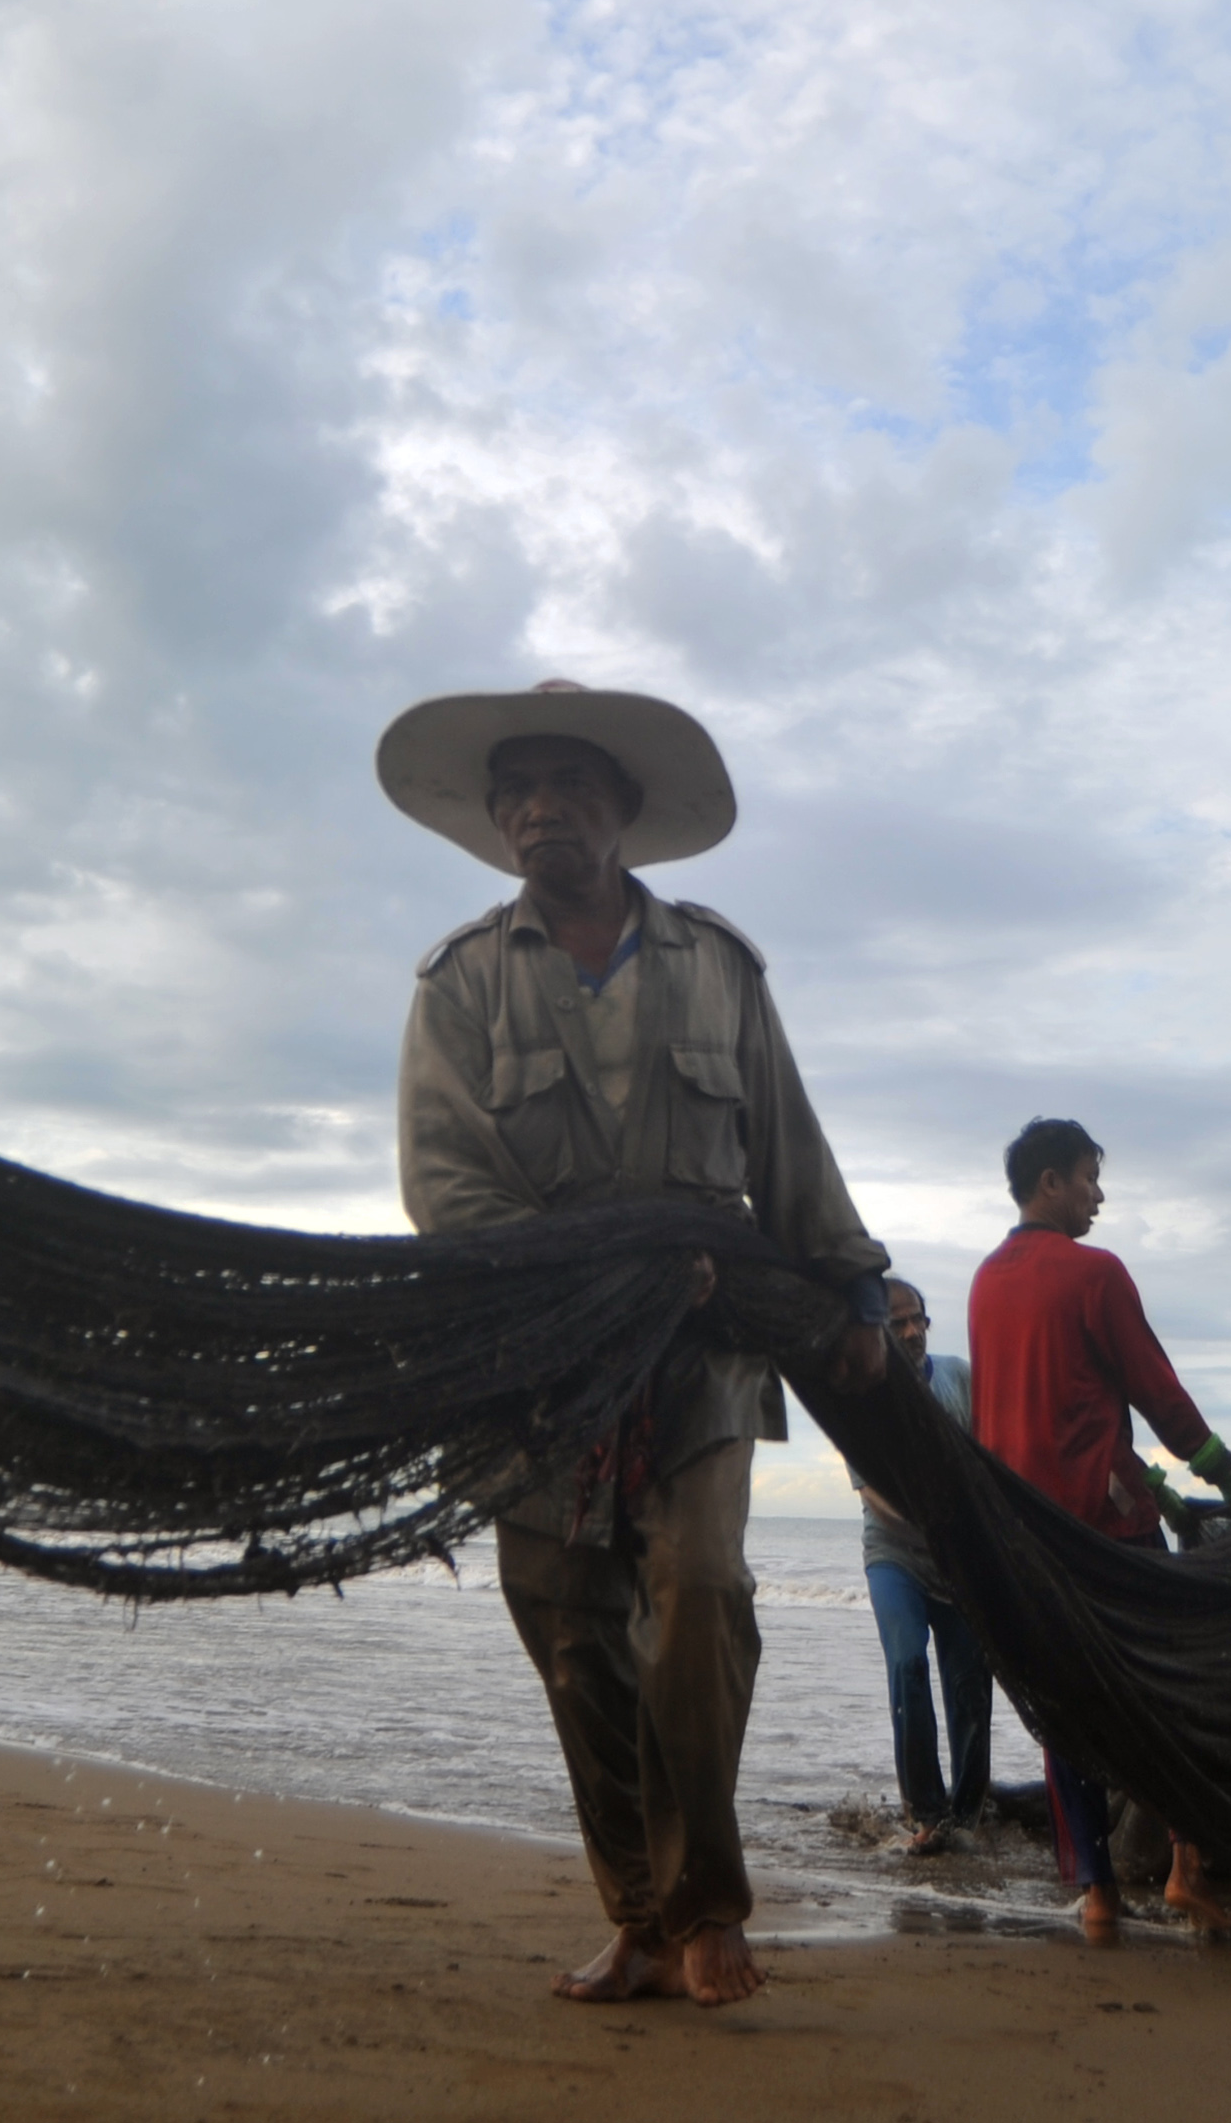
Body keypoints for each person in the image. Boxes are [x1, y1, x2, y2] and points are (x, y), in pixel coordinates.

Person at [385, 681, 890, 2010]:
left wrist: (855, 1289)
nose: (541, 806)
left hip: (706, 1349)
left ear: (625, 810)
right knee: (570, 1636)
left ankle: (711, 1906)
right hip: (538, 1364)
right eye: (518, 789)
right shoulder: (458, 982)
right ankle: (639, 1913)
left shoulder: (717, 963)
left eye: (569, 783)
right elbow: (447, 1184)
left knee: (703, 1596)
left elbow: (787, 1145)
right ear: (498, 821)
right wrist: (599, 1276)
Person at [966, 1116, 1231, 1940]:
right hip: (1109, 1532)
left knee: (1065, 1709)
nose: (1099, 1193)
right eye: (1090, 1176)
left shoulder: (986, 1280)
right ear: (1050, 1182)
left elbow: (1017, 1408)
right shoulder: (1095, 1272)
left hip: (1023, 1536)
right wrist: (1227, 1477)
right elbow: (1156, 1391)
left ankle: (1095, 1891)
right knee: (1165, 1693)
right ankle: (1183, 1869)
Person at [852, 1277, 992, 1852]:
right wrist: (930, 1525)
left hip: (961, 1563)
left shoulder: (959, 1378)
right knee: (908, 1663)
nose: (912, 1331)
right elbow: (874, 1498)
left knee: (970, 1688)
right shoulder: (865, 1398)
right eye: (898, 1322)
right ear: (879, 1330)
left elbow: (993, 1456)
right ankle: (927, 1814)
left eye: (919, 1320)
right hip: (896, 1558)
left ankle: (969, 1814)